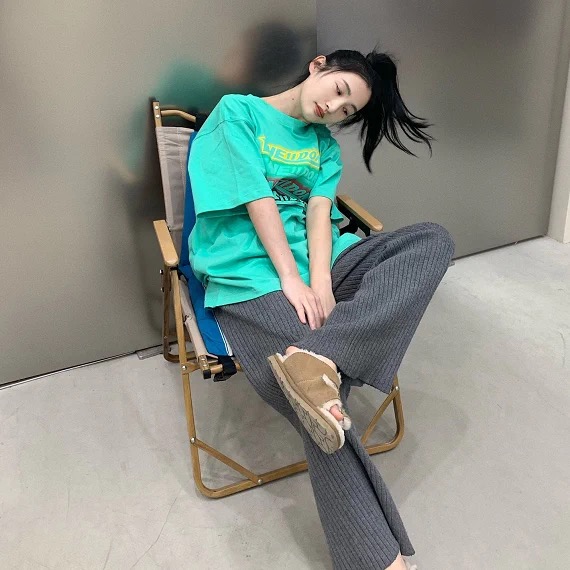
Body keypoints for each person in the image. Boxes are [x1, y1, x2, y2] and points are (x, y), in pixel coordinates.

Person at [188, 49, 455, 570]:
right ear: (319, 66)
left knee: (431, 241)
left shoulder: (324, 148)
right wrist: (292, 280)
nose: (333, 109)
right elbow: (257, 199)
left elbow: (317, 215)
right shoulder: (237, 112)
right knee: (319, 408)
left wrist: (321, 281)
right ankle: (382, 561)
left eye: (347, 111)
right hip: (247, 273)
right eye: (338, 91)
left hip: (324, 263)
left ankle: (320, 359)